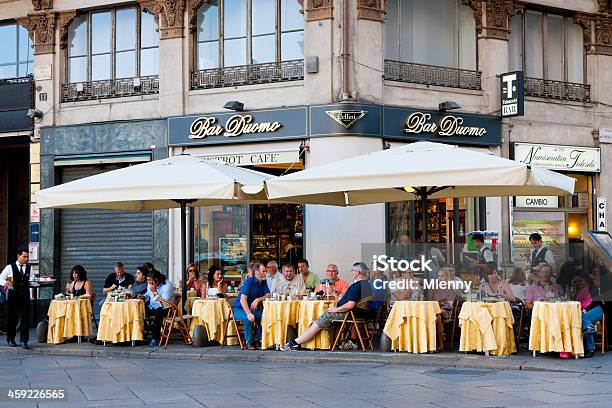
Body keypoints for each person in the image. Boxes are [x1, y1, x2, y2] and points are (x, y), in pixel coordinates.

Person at [282, 262, 373, 351]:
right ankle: (301, 342)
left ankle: (295, 343)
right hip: (357, 314)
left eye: (352, 271)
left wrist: (336, 309)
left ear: (357, 273)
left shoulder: (355, 286)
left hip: (348, 313)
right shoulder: (367, 285)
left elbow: (350, 305)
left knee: (319, 320)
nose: (352, 273)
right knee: (319, 319)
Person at [232, 262, 271, 349]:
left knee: (266, 316)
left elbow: (269, 295)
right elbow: (243, 299)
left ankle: (257, 338)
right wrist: (249, 313)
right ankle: (249, 342)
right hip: (239, 308)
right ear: (257, 272)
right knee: (247, 318)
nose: (266, 273)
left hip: (252, 308)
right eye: (264, 271)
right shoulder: (249, 281)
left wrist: (258, 300)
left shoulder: (263, 282)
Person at [0, 247, 31, 349]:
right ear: (18, 256)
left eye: (27, 257)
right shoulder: (10, 267)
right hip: (13, 295)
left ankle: (24, 341)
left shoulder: (29, 267)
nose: (26, 259)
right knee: (12, 318)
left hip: (25, 295)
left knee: (25, 318)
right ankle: (11, 339)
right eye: (24, 256)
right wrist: (5, 282)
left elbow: (30, 280)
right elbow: (0, 278)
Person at [572, 272, 603, 358]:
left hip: (597, 309)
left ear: (586, 280)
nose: (579, 283)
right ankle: (590, 332)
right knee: (584, 321)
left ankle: (590, 348)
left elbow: (596, 301)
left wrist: (586, 309)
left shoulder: (592, 287)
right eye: (577, 282)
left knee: (584, 318)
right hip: (582, 313)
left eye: (581, 281)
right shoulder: (577, 291)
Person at [144, 269, 175, 347]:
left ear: (156, 280)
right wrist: (143, 296)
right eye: (147, 280)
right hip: (152, 306)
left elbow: (163, 304)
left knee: (158, 312)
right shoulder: (149, 283)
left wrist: (155, 292)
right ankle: (142, 335)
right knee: (139, 309)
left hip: (165, 308)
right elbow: (148, 294)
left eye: (149, 280)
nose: (148, 282)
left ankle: (155, 338)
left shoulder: (167, 285)